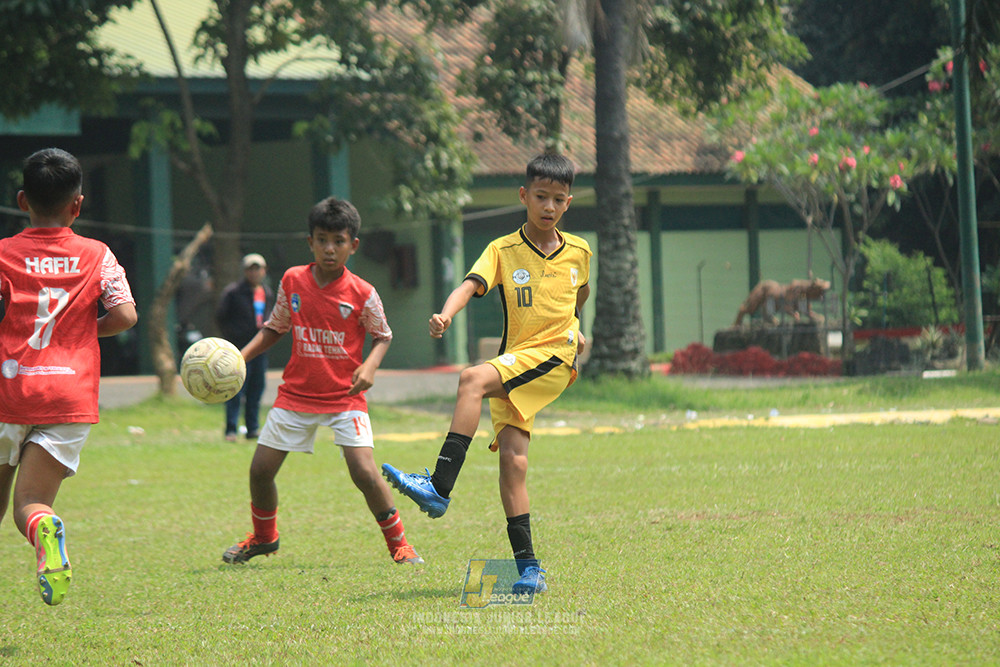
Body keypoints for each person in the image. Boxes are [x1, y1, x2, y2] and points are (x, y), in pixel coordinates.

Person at [382, 153, 590, 594]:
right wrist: (445, 313)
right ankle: (530, 569)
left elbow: (579, 295)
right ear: (523, 196)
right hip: (517, 363)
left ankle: (439, 485)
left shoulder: (580, 251)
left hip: (553, 355)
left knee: (472, 379)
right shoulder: (502, 250)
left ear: (568, 203)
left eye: (557, 199)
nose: (548, 207)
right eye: (540, 197)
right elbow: (470, 285)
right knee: (513, 465)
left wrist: (578, 332)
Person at [222, 196, 423, 565]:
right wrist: (240, 358)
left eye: (339, 241)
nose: (330, 249)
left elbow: (383, 335)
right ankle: (265, 537)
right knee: (260, 470)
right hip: (296, 393)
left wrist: (370, 367)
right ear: (310, 242)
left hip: (345, 396)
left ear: (353, 245)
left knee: (363, 472)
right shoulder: (293, 280)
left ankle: (400, 545)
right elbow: (275, 327)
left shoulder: (363, 293)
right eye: (322, 239)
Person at [0, 148, 138, 605]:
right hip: (68, 396)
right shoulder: (97, 255)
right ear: (77, 205)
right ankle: (43, 527)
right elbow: (125, 315)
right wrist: (81, 330)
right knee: (31, 503)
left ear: (22, 200)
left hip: (9, 387)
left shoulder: (4, 254)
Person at [216, 253, 274, 441]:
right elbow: (221, 317)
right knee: (234, 388)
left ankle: (252, 428)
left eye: (258, 268)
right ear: (245, 271)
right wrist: (233, 336)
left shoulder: (267, 292)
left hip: (260, 348)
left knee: (256, 390)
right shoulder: (233, 292)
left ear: (264, 271)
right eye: (251, 268)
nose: (255, 272)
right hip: (238, 348)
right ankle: (231, 429)